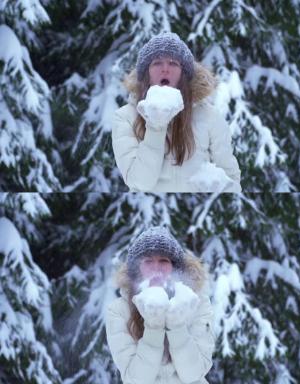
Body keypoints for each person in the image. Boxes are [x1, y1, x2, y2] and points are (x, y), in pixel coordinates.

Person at [112, 32, 241, 192]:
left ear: (183, 74)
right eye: (157, 63)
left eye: (173, 63)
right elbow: (140, 183)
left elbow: (231, 179)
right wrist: (155, 126)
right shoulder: (125, 117)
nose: (165, 69)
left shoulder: (209, 116)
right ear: (146, 73)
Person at [105, 226, 214, 383]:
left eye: (163, 261)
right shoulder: (119, 310)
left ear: (174, 267)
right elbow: (136, 379)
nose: (156, 268)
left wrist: (177, 325)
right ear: (137, 269)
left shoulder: (197, 303)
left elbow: (193, 374)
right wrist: (154, 326)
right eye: (148, 261)